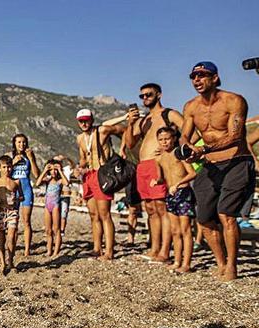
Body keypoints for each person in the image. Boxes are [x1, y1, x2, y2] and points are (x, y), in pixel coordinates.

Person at [180, 61, 253, 281]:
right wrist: (187, 149)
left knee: (225, 213)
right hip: (210, 166)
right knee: (203, 219)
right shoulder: (191, 107)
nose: (197, 80)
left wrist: (203, 148)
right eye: (193, 76)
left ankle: (231, 265)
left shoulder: (234, 101)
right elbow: (184, 135)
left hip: (236, 161)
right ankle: (220, 262)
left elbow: (236, 136)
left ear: (215, 78)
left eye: (202, 75)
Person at [123, 83, 185, 262]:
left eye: (148, 94)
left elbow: (190, 132)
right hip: (143, 166)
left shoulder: (169, 114)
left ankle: (165, 251)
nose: (144, 98)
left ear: (159, 95)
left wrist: (173, 152)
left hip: (159, 164)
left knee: (161, 207)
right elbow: (129, 143)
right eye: (141, 96)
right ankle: (155, 248)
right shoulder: (143, 120)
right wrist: (131, 122)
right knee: (150, 209)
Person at [76, 108, 127, 260]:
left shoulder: (102, 131)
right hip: (89, 176)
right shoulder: (80, 138)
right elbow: (83, 158)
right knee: (93, 215)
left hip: (102, 173)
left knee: (105, 214)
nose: (84, 123)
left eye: (87, 120)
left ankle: (109, 251)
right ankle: (97, 248)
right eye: (81, 121)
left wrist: (123, 148)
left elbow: (124, 130)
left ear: (92, 120)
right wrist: (79, 167)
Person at [151, 127, 197, 273]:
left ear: (173, 139)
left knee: (185, 230)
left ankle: (187, 264)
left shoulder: (179, 153)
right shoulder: (159, 158)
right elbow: (161, 177)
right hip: (170, 195)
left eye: (167, 139)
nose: (164, 142)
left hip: (183, 192)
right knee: (175, 231)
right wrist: (157, 181)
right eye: (161, 139)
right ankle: (177, 261)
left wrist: (178, 184)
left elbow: (192, 173)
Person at [0, 155, 23, 274]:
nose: (7, 169)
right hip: (0, 211)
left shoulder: (16, 182)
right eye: (4, 167)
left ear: (12, 168)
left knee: (11, 236)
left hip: (12, 211)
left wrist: (17, 200)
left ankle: (10, 261)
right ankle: (2, 262)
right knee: (1, 237)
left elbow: (22, 196)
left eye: (9, 167)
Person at [8, 134, 39, 256]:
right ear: (14, 144)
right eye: (19, 142)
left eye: (24, 142)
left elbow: (36, 175)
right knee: (14, 221)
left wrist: (31, 159)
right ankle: (13, 248)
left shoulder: (29, 156)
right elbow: (5, 176)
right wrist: (13, 163)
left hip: (26, 190)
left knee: (26, 221)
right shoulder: (10, 156)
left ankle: (27, 250)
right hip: (14, 191)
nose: (22, 145)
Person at [37, 159, 68, 257]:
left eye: (55, 169)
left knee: (56, 229)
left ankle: (56, 251)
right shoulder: (47, 180)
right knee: (48, 230)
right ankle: (49, 250)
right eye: (52, 169)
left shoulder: (59, 181)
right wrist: (45, 170)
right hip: (47, 206)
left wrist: (60, 171)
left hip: (55, 206)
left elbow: (66, 183)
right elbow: (37, 183)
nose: (53, 171)